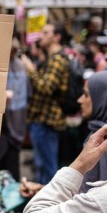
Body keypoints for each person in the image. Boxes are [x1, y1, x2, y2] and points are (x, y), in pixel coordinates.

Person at [21, 23, 70, 184]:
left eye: (46, 32)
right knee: (42, 166)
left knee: (47, 168)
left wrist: (30, 69)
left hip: (47, 121)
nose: (40, 36)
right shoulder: (52, 59)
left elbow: (46, 87)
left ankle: (48, 205)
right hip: (42, 119)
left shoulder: (57, 60)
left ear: (57, 37)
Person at [0, 36, 29, 179]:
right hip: (7, 124)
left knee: (9, 169)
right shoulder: (18, 65)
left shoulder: (18, 66)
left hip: (11, 123)